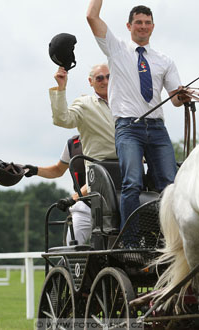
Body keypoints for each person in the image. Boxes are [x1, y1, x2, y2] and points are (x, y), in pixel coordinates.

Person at [87, 2, 191, 228]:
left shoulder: (164, 60)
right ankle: (131, 240)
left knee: (170, 185)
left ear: (153, 26)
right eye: (138, 23)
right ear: (129, 26)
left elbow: (174, 99)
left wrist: (182, 96)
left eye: (147, 23)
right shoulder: (116, 48)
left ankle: (169, 237)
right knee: (132, 182)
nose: (143, 27)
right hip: (128, 127)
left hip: (157, 128)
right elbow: (92, 18)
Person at [24, 135, 91, 245]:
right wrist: (35, 170)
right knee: (72, 247)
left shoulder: (106, 138)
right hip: (84, 205)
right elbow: (58, 170)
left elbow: (97, 177)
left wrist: (73, 198)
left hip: (109, 203)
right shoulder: (73, 144)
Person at [49, 64, 117, 163]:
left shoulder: (126, 101)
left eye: (108, 77)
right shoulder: (84, 103)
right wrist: (61, 88)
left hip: (131, 165)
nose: (105, 81)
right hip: (100, 167)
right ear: (90, 81)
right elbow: (62, 120)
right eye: (99, 78)